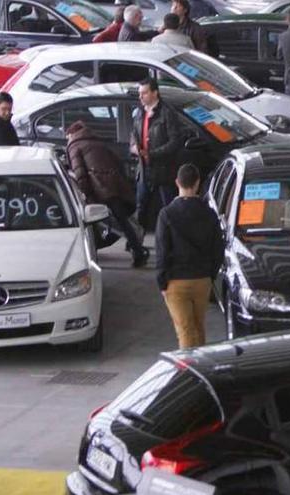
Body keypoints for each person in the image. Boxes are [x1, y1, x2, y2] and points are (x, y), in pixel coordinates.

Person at [156, 163, 224, 349]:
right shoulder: (209, 213)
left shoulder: (166, 214)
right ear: (198, 183)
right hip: (202, 279)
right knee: (199, 327)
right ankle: (202, 367)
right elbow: (218, 247)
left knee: (185, 331)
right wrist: (211, 274)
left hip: (176, 282)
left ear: (177, 182)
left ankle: (189, 373)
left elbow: (162, 251)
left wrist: (162, 282)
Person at [66, 121, 149, 267]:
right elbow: (118, 163)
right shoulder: (98, 142)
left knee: (96, 221)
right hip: (113, 185)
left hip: (99, 189)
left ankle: (136, 251)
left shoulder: (75, 146)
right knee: (121, 220)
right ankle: (136, 249)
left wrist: (85, 193)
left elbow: (80, 174)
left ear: (71, 134)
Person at [131, 77, 181, 229]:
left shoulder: (166, 113)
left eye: (144, 93)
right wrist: (133, 147)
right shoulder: (139, 113)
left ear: (155, 93)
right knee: (141, 208)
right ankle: (136, 244)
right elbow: (133, 134)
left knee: (169, 208)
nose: (140, 97)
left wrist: (151, 154)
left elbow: (174, 142)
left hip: (163, 170)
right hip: (144, 169)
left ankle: (173, 241)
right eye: (140, 93)